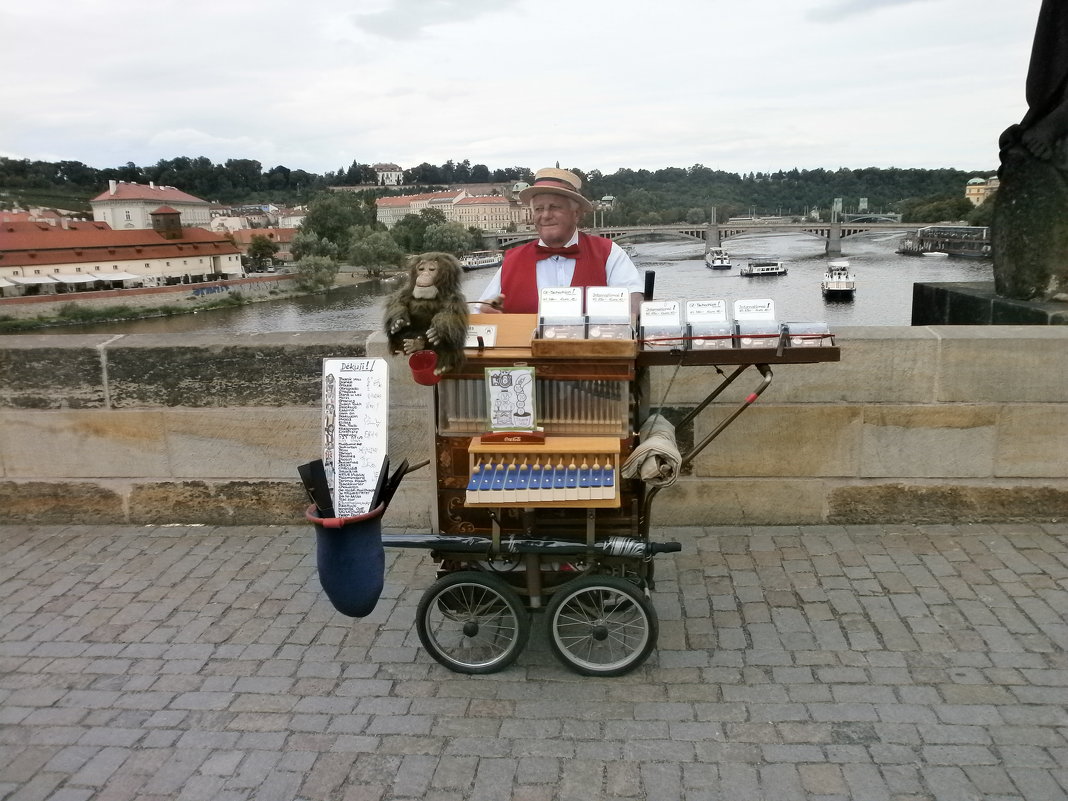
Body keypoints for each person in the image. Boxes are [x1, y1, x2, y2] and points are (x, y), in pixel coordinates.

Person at [476, 168, 645, 316]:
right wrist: (486, 315)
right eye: (539, 209)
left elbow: (633, 298)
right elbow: (480, 312)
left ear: (576, 214)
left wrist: (627, 315)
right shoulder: (512, 260)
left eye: (555, 207)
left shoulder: (608, 252)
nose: (546, 215)